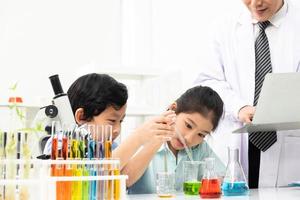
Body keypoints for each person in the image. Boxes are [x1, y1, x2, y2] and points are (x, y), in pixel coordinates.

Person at [194, 0, 300, 188]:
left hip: (288, 144)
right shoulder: (223, 28)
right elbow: (207, 82)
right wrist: (239, 107)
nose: (256, 3)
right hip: (237, 138)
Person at [44, 73, 175, 170]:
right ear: (82, 117)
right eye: (112, 121)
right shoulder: (60, 144)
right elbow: (95, 175)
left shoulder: (110, 147)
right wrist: (138, 137)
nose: (117, 129)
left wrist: (157, 139)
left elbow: (127, 179)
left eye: (121, 121)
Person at [126, 86, 225, 194]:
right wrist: (156, 141)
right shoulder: (143, 138)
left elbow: (227, 180)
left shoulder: (200, 148)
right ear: (173, 109)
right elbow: (124, 182)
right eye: (188, 125)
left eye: (201, 134)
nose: (189, 138)